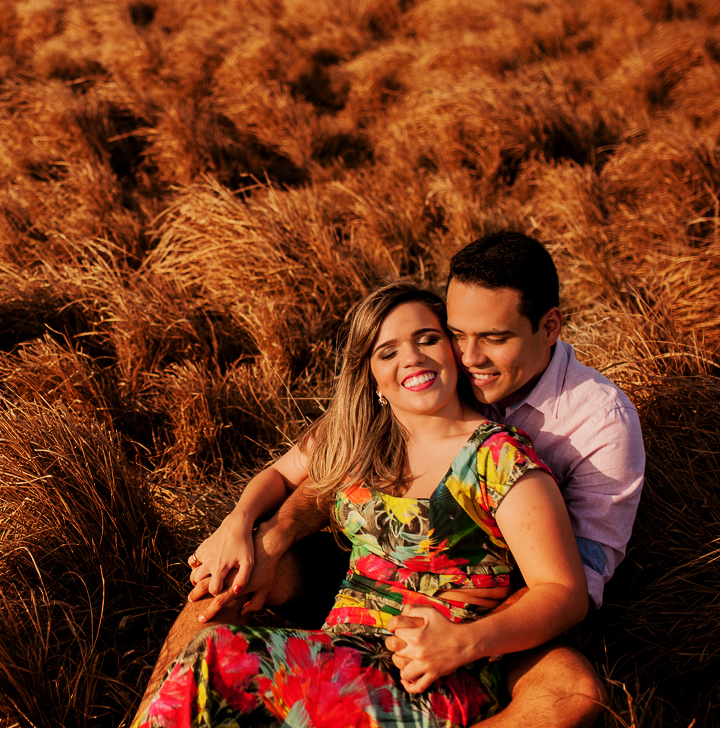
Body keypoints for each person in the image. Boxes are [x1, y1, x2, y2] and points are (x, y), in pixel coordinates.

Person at [135, 231, 644, 727]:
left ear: (549, 327)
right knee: (220, 596)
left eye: (492, 338)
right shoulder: (385, 418)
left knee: (569, 689)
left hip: (473, 619)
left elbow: (571, 585)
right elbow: (302, 471)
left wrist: (465, 638)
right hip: (357, 597)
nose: (468, 357)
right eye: (457, 335)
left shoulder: (589, 428)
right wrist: (252, 528)